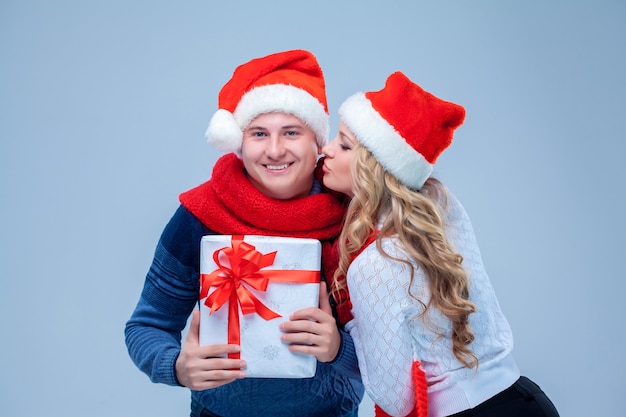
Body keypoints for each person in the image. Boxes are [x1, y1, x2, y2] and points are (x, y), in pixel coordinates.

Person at [125, 49, 364, 417]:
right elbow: (146, 325)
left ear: (317, 141)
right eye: (258, 133)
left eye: (291, 132)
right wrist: (175, 366)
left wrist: (338, 349)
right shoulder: (198, 216)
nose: (274, 149)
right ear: (239, 142)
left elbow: (397, 359)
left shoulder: (357, 221)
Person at [321, 71, 560, 417]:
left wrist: (350, 328)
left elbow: (395, 400)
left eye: (344, 144)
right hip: (526, 399)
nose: (326, 150)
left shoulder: (374, 266)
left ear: (376, 167)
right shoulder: (443, 210)